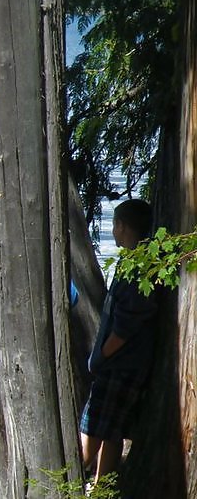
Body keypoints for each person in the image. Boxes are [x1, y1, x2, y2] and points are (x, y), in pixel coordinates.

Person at [80, 199, 159, 486]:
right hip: (128, 365)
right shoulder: (139, 261)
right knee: (112, 431)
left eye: (114, 225)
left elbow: (126, 325)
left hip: (119, 366)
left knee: (93, 428)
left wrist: (101, 357)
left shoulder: (137, 267)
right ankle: (102, 487)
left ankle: (68, 480)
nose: (113, 231)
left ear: (123, 226)